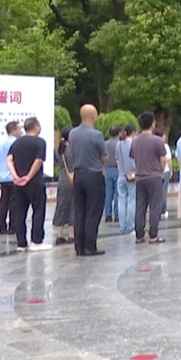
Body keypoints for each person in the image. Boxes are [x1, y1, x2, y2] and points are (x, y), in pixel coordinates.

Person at [69, 105, 108, 256]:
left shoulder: (73, 133)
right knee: (93, 211)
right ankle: (90, 246)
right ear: (93, 116)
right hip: (94, 175)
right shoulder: (97, 135)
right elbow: (104, 157)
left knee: (80, 211)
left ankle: (79, 246)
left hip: (78, 175)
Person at [8, 117, 50, 252]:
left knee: (19, 212)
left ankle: (21, 243)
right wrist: (29, 177)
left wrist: (16, 176)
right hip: (35, 181)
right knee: (38, 210)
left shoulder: (17, 142)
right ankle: (36, 241)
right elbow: (38, 161)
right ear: (36, 127)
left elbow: (9, 160)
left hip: (18, 183)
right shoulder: (40, 142)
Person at [131, 112, 169, 245]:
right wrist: (160, 171)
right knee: (155, 207)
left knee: (140, 206)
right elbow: (163, 160)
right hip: (154, 177)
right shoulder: (158, 141)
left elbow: (134, 158)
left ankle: (139, 235)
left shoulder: (135, 141)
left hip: (140, 177)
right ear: (152, 123)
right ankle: (153, 235)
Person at [0, 121, 21, 236]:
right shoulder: (17, 143)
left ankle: (2, 227)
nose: (21, 131)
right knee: (14, 204)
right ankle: (13, 227)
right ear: (14, 130)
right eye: (19, 129)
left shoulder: (1, 145)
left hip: (3, 177)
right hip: (14, 177)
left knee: (3, 202)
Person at [52, 127, 75, 246]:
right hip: (73, 179)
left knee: (61, 206)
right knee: (73, 206)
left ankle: (59, 235)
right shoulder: (72, 149)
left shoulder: (58, 150)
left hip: (62, 179)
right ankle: (72, 235)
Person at [116, 124, 137, 236]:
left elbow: (117, 160)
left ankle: (122, 226)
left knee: (121, 201)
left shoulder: (118, 144)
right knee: (131, 201)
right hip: (132, 175)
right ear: (133, 132)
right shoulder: (133, 144)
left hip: (121, 174)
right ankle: (130, 227)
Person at [103, 125, 121, 223]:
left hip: (108, 169)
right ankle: (117, 215)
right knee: (117, 194)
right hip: (118, 169)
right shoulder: (120, 143)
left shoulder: (105, 144)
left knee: (108, 193)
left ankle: (108, 215)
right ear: (119, 133)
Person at [156, 129, 172, 219]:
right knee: (163, 191)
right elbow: (168, 160)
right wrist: (170, 170)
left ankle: (156, 209)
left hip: (154, 171)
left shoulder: (151, 145)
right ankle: (163, 210)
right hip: (164, 171)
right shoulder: (165, 146)